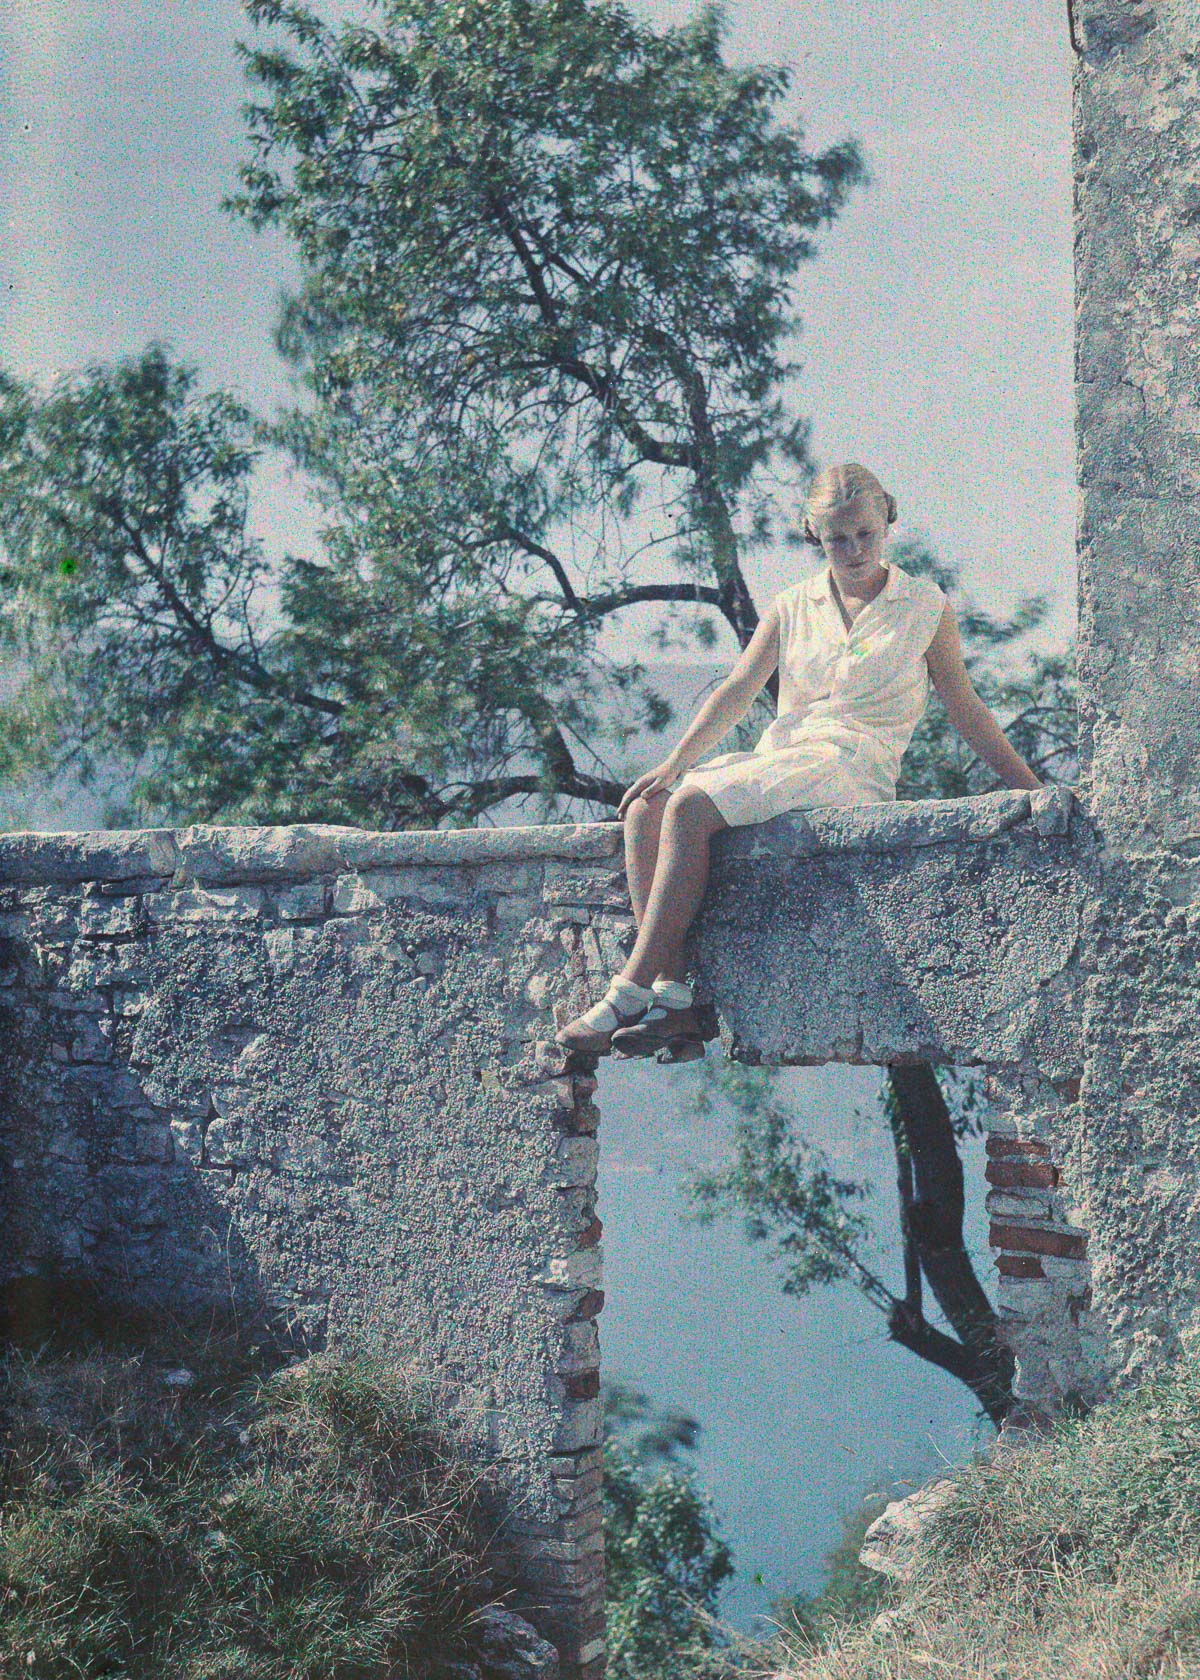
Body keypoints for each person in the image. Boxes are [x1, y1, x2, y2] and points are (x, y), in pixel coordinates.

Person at [555, 462, 1044, 1063]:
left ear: (887, 521)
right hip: (788, 757)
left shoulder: (923, 606)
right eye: (838, 537)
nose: (854, 549)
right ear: (815, 535)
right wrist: (675, 762)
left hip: (853, 766)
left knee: (688, 808)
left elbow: (967, 710)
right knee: (649, 807)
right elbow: (737, 688)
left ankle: (626, 992)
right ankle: (677, 1003)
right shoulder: (794, 604)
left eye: (865, 533)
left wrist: (1033, 792)